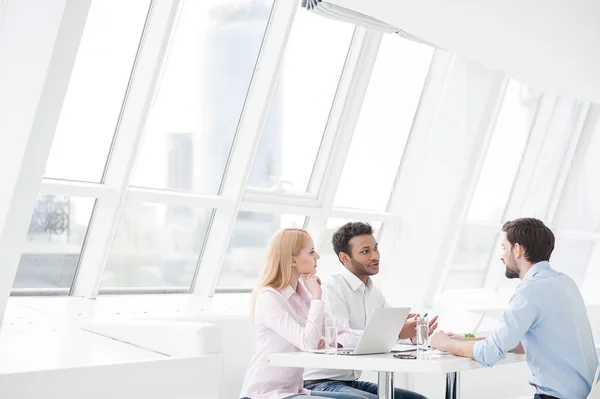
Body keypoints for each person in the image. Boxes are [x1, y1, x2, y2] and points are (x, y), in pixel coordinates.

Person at [431, 218, 599, 399]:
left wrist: (445, 344)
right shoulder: (565, 283)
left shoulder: (530, 290)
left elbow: (489, 353)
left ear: (518, 249)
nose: (501, 256)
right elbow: (522, 342)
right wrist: (463, 341)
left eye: (504, 248)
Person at [304, 222, 434, 399]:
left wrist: (411, 333)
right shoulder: (332, 289)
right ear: (345, 258)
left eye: (375, 248)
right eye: (365, 251)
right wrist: (396, 332)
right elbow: (342, 339)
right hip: (321, 382)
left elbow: (387, 336)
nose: (375, 256)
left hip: (351, 382)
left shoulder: (374, 292)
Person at [240, 227, 366, 399]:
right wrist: (317, 296)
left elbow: (338, 333)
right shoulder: (269, 298)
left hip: (295, 390)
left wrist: (332, 341)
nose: (318, 257)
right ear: (292, 260)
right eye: (312, 252)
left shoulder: (302, 295)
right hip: (266, 394)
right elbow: (308, 343)